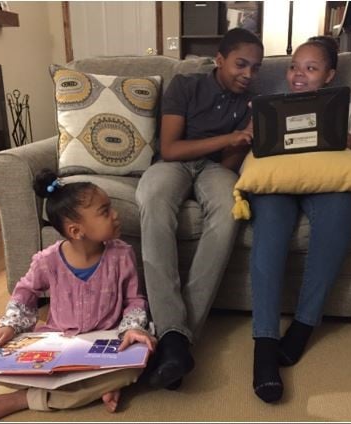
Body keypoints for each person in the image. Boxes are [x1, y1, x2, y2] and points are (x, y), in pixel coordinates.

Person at [135, 28, 264, 390]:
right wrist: (231, 136)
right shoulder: (185, 85)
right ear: (219, 59)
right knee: (153, 200)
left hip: (214, 170)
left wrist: (250, 134)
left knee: (230, 208)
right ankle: (177, 340)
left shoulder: (252, 103)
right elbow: (172, 148)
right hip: (173, 164)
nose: (248, 74)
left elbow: (226, 166)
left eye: (256, 68)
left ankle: (174, 340)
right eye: (241, 64)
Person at [0, 169, 157, 421]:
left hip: (105, 344)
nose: (115, 215)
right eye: (105, 211)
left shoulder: (121, 255)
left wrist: (132, 330)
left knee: (135, 367)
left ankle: (31, 398)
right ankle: (97, 389)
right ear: (75, 231)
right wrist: (10, 326)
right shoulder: (47, 260)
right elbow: (25, 291)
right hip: (58, 342)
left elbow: (133, 300)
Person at [250, 36, 351, 403]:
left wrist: (343, 143)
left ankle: (302, 326)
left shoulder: (349, 111)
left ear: (329, 75)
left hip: (326, 188)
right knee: (269, 228)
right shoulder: (269, 105)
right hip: (278, 186)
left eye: (311, 68)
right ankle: (264, 344)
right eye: (294, 66)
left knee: (341, 212)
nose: (299, 75)